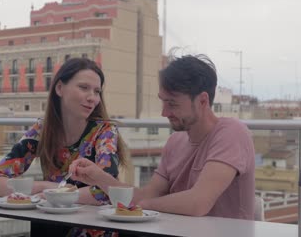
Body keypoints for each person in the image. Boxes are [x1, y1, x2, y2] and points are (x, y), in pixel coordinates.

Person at [70, 52, 256, 220]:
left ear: (202, 100)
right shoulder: (176, 142)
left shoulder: (232, 132)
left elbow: (197, 203)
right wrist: (98, 177)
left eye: (172, 104)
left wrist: (142, 207)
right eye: (163, 102)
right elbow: (145, 196)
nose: (164, 112)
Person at [0, 57, 128, 236]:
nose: (92, 98)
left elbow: (106, 191)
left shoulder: (104, 131)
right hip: (52, 223)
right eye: (84, 88)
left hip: (93, 228)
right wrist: (45, 186)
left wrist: (54, 193)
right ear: (59, 88)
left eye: (97, 91)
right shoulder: (42, 129)